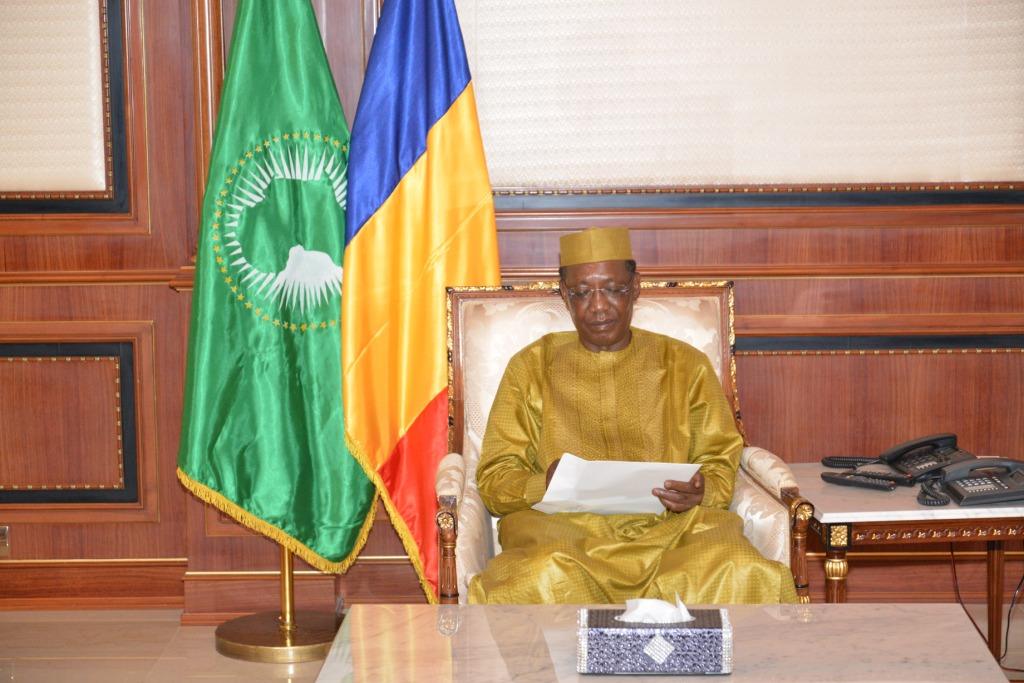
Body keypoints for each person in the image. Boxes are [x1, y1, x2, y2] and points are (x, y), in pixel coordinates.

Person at [467, 226, 797, 604]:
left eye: (613, 289)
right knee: (539, 576)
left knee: (738, 567)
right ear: (564, 295)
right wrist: (545, 483)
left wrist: (702, 490)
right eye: (582, 293)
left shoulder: (685, 363)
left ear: (635, 287)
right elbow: (495, 479)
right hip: (562, 534)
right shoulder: (531, 366)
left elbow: (719, 459)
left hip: (672, 529)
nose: (599, 306)